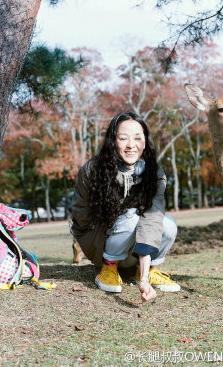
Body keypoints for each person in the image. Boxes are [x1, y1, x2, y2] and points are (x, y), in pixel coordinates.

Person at [70, 111, 180, 302]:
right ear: (113, 140)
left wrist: (144, 279)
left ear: (145, 141)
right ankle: (108, 268)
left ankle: (146, 270)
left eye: (137, 138)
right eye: (123, 138)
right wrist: (107, 227)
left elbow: (151, 221)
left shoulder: (155, 173)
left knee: (167, 224)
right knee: (132, 217)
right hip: (101, 244)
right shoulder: (93, 170)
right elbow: (81, 217)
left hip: (136, 250)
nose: (131, 145)